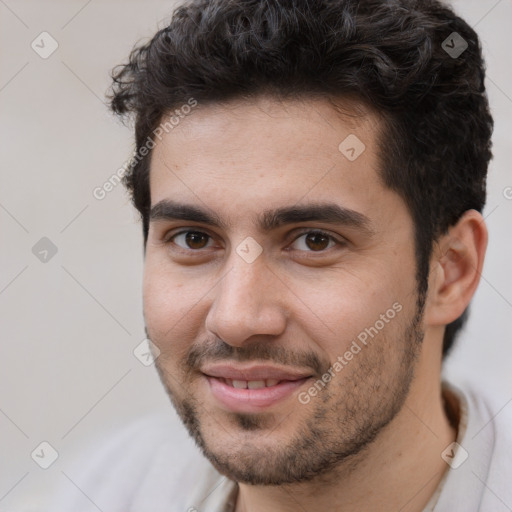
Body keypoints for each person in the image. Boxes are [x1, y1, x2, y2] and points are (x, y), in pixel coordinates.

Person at [51, 0, 512, 511]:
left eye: (314, 241)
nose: (236, 319)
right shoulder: (104, 488)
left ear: (451, 271)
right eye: (194, 239)